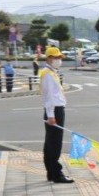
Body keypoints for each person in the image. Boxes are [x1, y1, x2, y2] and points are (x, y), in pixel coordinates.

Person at [40, 46, 73, 184]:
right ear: (49, 58)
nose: (59, 60)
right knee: (55, 143)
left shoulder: (51, 72)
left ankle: (51, 172)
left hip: (54, 110)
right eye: (56, 57)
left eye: (59, 57)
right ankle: (56, 174)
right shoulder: (47, 74)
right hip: (54, 111)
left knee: (50, 143)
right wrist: (51, 115)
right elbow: (48, 97)